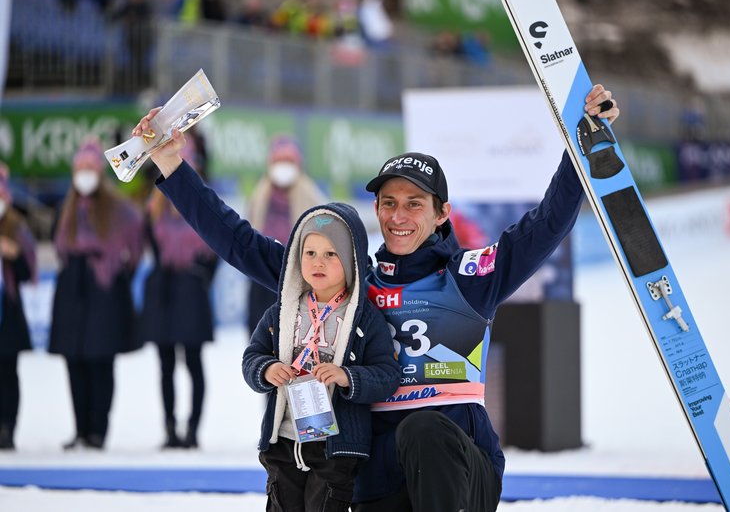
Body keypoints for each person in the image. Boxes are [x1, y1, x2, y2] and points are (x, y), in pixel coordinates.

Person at [133, 83, 619, 510]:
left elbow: (547, 224)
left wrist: (583, 144)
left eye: (414, 204)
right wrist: (173, 165)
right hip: (376, 474)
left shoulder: (472, 276)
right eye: (388, 203)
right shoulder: (352, 278)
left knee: (422, 429)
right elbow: (240, 242)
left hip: (461, 473)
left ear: (442, 213)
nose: (399, 215)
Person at [243, 202, 400, 510]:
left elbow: (387, 375)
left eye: (331, 254)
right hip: (283, 442)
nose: (319, 262)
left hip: (335, 449)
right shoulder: (281, 311)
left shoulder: (365, 319)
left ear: (352, 260)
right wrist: (266, 368)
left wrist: (348, 377)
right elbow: (252, 357)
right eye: (310, 253)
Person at [49, 137, 145, 450]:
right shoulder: (67, 209)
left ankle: (97, 431)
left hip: (105, 291)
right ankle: (80, 429)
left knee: (100, 361)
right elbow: (59, 245)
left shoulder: (119, 209)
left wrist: (116, 274)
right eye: (81, 169)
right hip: (73, 288)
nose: (85, 175)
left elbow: (135, 246)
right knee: (74, 360)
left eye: (90, 169)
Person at [139, 137, 218, 449]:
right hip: (164, 291)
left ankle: (193, 429)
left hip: (192, 290)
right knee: (166, 364)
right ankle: (170, 427)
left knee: (194, 362)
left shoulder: (204, 208)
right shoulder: (154, 210)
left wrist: (201, 278)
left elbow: (218, 251)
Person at [246, 134, 326, 336]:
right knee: (260, 335)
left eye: (288, 162)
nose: (283, 167)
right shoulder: (259, 195)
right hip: (262, 275)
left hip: (297, 277)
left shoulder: (310, 196)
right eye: (279, 162)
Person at [0, 164, 37, 450]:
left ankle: (8, 428)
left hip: (7, 310)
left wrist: (12, 254)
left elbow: (27, 273)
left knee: (8, 374)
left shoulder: (17, 230)